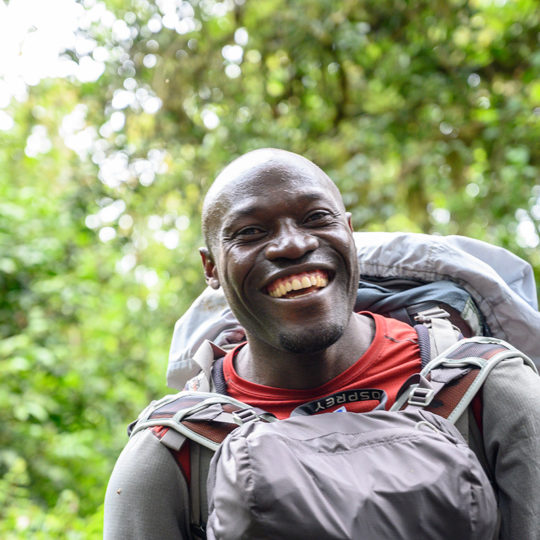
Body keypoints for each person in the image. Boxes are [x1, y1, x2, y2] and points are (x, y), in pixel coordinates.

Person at [104, 148, 540, 539]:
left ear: (349, 233)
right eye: (251, 232)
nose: (293, 245)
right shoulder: (172, 456)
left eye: (316, 218)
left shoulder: (492, 394)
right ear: (211, 267)